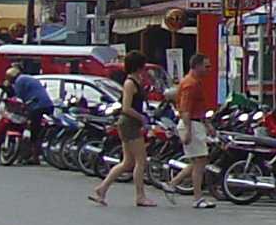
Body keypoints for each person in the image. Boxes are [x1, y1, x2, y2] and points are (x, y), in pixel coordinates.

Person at [93, 61, 160, 208]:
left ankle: (102, 189)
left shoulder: (137, 81)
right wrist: (141, 118)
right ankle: (140, 196)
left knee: (128, 162)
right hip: (129, 123)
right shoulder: (129, 83)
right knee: (140, 160)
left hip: (132, 123)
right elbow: (126, 107)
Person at [170, 53, 218, 208]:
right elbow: (185, 109)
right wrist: (188, 131)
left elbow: (199, 108)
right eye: (206, 66)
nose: (209, 70)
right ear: (197, 66)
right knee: (200, 161)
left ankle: (172, 184)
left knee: (197, 160)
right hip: (191, 124)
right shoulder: (190, 84)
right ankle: (197, 198)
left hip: (196, 123)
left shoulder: (196, 82)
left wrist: (208, 126)